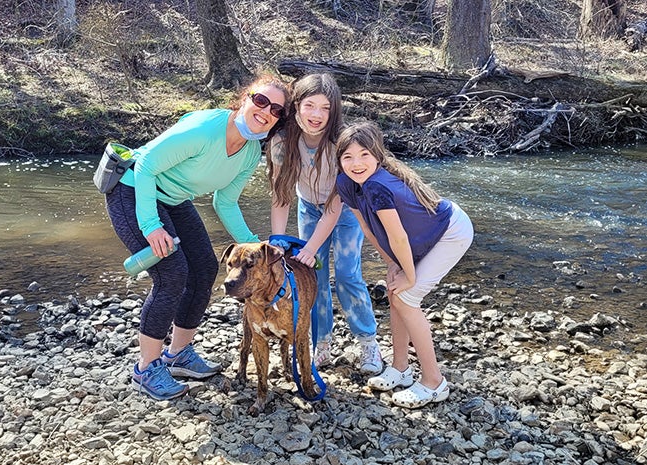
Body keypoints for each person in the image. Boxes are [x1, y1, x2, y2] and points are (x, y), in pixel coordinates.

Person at [105, 73, 290, 401]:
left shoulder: (249, 153)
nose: (266, 111)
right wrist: (150, 225)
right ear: (245, 99)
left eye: (276, 110)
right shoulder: (206, 128)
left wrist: (259, 246)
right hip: (133, 190)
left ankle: (178, 354)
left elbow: (226, 201)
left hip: (173, 199)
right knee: (172, 274)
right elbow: (146, 163)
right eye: (261, 101)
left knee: (204, 267)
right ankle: (146, 368)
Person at [333, 121, 473, 408]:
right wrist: (392, 265)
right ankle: (401, 368)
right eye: (348, 157)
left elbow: (397, 236)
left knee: (407, 297)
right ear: (339, 160)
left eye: (364, 155)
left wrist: (408, 275)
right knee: (395, 292)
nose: (356, 163)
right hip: (419, 239)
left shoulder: (377, 186)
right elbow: (369, 228)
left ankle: (434, 382)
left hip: (450, 233)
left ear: (378, 156)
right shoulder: (345, 183)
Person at [266, 73, 382, 375]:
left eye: (325, 108)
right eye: (310, 106)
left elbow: (334, 207)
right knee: (314, 280)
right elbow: (281, 197)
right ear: (296, 106)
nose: (317, 115)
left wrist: (311, 249)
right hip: (308, 209)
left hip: (344, 211)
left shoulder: (339, 143)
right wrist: (277, 242)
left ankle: (368, 342)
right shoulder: (281, 142)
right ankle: (322, 343)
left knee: (347, 274)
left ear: (335, 111)